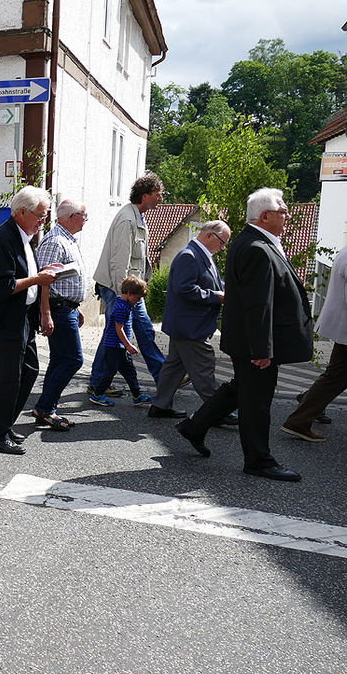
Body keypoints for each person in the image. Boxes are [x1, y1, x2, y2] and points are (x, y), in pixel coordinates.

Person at [176, 188, 314, 481]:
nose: (287, 216)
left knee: (242, 389)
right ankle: (258, 461)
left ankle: (195, 426)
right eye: (283, 212)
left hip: (252, 340)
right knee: (257, 402)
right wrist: (262, 349)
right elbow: (257, 304)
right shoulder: (256, 247)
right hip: (256, 343)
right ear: (265, 216)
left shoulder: (257, 242)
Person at [0, 186, 61, 455]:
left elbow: (29, 276)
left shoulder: (25, 236)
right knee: (8, 378)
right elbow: (2, 286)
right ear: (22, 212)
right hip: (5, 319)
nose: (43, 221)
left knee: (29, 371)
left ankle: (4, 425)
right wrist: (39, 279)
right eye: (40, 215)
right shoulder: (4, 239)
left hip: (23, 316)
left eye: (45, 215)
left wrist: (42, 286)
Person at [89, 172, 167, 396]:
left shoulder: (137, 216)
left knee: (128, 332)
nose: (160, 198)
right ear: (145, 196)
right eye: (157, 194)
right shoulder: (127, 219)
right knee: (122, 333)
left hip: (128, 288)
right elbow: (119, 261)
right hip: (122, 288)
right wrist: (123, 295)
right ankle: (163, 377)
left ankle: (99, 381)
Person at [148, 221, 232, 420]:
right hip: (190, 326)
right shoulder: (190, 255)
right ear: (210, 235)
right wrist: (217, 296)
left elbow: (207, 281)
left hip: (186, 324)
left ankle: (160, 405)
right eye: (222, 242)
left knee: (174, 368)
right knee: (204, 368)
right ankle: (217, 412)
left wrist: (225, 288)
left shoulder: (199, 254)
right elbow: (184, 289)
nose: (222, 248)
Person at [31, 199, 89, 429]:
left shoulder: (67, 239)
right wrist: (46, 313)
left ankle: (47, 408)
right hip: (58, 308)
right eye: (84, 216)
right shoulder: (55, 241)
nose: (86, 220)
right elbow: (43, 281)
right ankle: (45, 407)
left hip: (67, 307)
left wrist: (77, 306)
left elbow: (66, 278)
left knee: (59, 360)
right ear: (72, 217)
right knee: (74, 359)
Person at [280, 244, 347, 442]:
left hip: (342, 327)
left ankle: (306, 407)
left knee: (336, 374)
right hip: (344, 327)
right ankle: (301, 417)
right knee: (336, 375)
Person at [90, 276, 152, 407]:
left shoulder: (122, 303)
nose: (138, 301)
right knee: (110, 372)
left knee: (130, 372)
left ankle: (137, 396)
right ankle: (97, 395)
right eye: (138, 298)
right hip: (114, 347)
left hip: (119, 347)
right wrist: (128, 345)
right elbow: (119, 329)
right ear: (130, 294)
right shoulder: (122, 308)